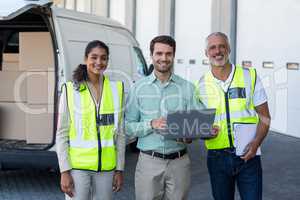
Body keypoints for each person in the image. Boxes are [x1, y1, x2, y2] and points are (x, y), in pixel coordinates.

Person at [125, 35, 203, 200]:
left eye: (168, 54)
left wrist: (191, 135)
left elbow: (198, 125)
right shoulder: (138, 88)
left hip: (179, 163)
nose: (164, 58)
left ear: (174, 56)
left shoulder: (187, 88)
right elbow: (127, 126)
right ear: (152, 56)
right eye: (159, 53)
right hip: (148, 162)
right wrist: (151, 124)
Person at [195, 32, 271, 200]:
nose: (218, 51)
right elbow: (198, 127)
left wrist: (256, 143)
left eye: (222, 46)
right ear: (206, 53)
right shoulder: (200, 85)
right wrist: (204, 132)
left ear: (229, 49)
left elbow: (265, 117)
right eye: (212, 48)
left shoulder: (249, 75)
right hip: (217, 158)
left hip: (248, 156)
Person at [56, 40, 125, 200]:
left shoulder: (117, 90)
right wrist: (64, 171)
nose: (99, 62)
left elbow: (120, 133)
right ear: (86, 58)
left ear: (107, 61)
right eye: (94, 57)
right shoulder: (70, 90)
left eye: (103, 58)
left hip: (107, 169)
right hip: (78, 168)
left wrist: (119, 169)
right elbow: (61, 133)